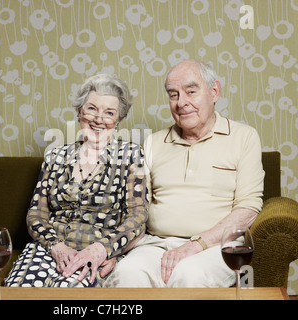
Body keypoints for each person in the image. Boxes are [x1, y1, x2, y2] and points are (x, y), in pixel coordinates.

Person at [104, 59, 264, 288]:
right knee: (127, 273)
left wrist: (196, 244)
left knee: (188, 276)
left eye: (191, 91)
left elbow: (248, 208)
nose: (181, 103)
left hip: (215, 246)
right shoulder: (153, 142)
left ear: (214, 92)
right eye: (173, 95)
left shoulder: (244, 137)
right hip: (155, 244)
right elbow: (136, 208)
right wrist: (115, 248)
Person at [5, 73, 148, 287]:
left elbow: (138, 216)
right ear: (79, 111)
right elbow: (36, 213)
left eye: (109, 112)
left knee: (66, 295)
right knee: (19, 290)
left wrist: (106, 250)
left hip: (96, 254)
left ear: (118, 120)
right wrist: (56, 246)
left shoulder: (131, 156)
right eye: (92, 108)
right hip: (50, 249)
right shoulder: (55, 156)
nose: (99, 119)